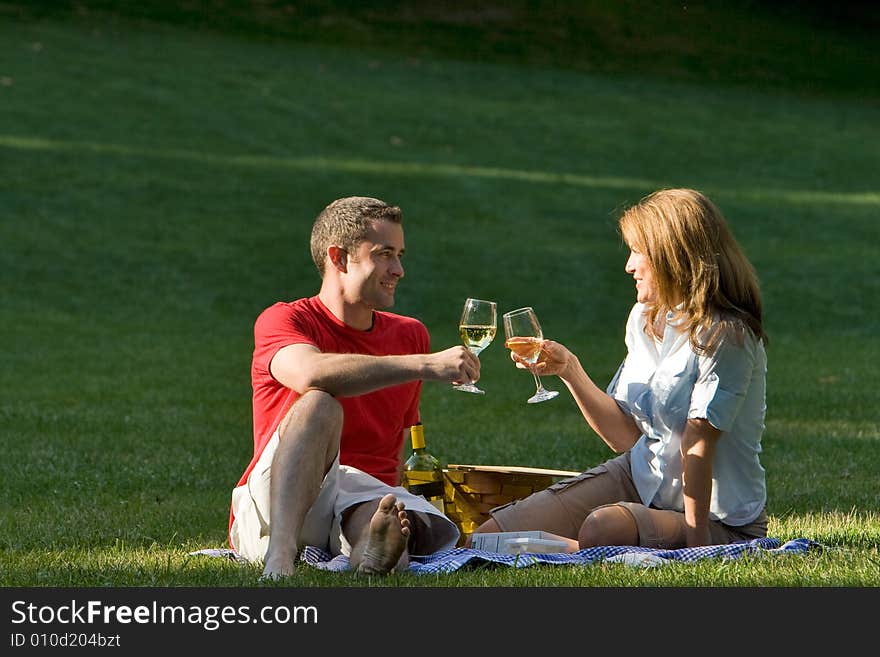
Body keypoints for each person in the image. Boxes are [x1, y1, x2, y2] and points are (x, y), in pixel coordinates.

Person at [472, 188, 769, 550]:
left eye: (637, 252)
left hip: (714, 520)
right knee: (486, 538)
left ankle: (563, 550)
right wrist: (570, 369)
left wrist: (697, 550)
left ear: (670, 253)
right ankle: (564, 549)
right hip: (639, 480)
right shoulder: (642, 318)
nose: (628, 266)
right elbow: (625, 436)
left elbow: (698, 445)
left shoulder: (726, 334)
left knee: (603, 529)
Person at [229, 196, 477, 577]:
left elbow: (388, 450)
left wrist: (391, 505)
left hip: (360, 500)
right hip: (283, 505)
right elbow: (310, 373)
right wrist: (426, 365)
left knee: (384, 514)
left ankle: (372, 554)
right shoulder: (284, 319)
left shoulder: (409, 335)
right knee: (319, 405)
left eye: (400, 255)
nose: (399, 269)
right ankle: (279, 559)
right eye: (384, 254)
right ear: (339, 257)